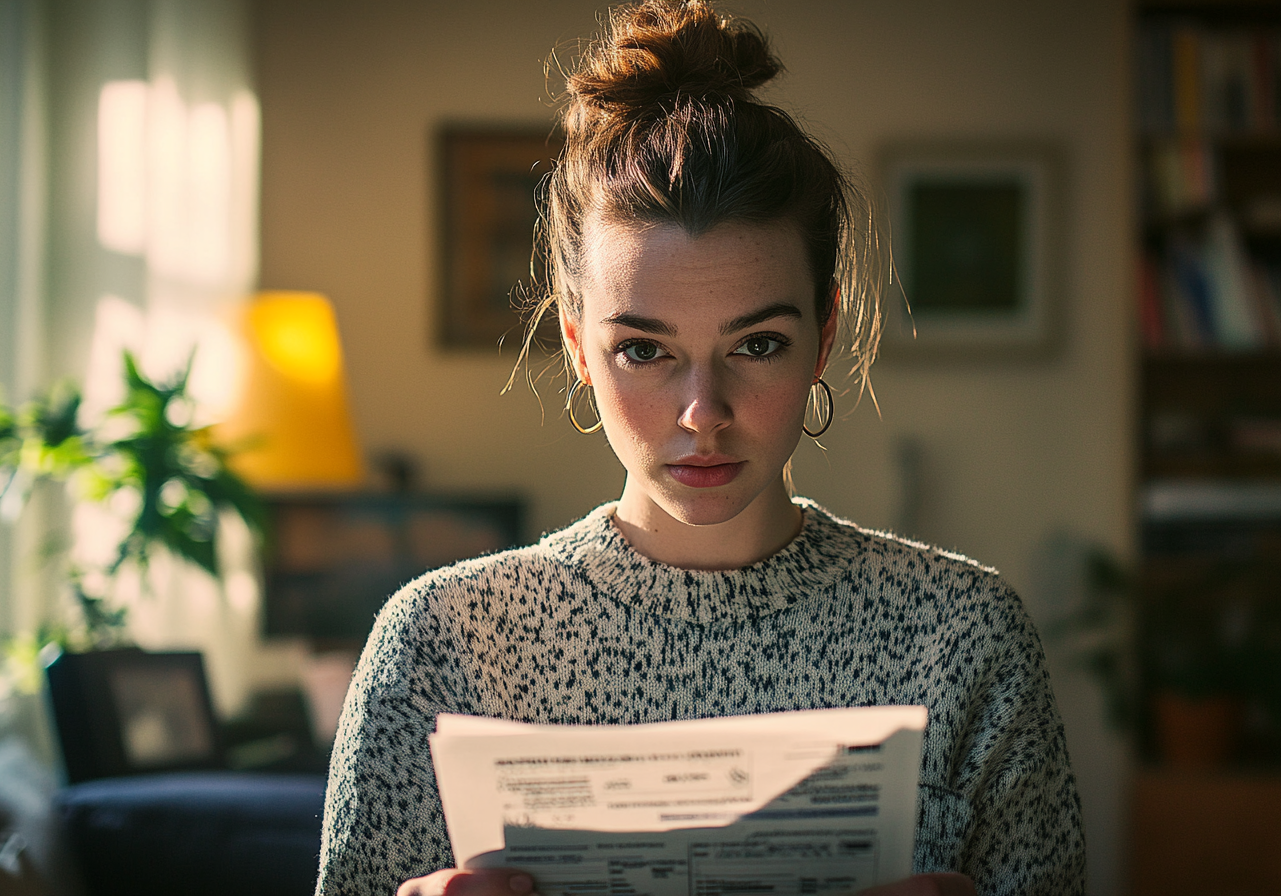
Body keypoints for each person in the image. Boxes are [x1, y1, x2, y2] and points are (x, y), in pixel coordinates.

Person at [315, 2, 1085, 895]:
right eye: (645, 351)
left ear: (824, 335)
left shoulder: (964, 640)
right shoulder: (441, 645)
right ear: (577, 347)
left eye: (757, 345)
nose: (701, 412)